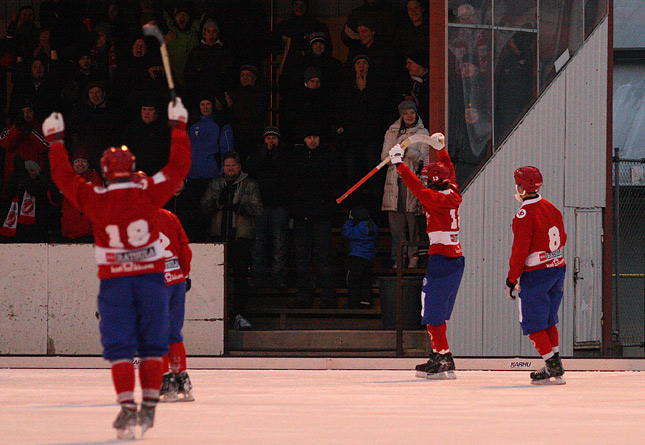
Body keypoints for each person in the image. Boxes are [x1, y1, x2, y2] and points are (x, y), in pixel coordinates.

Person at [42, 97, 191, 439]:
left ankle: (127, 407)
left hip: (116, 285)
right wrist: (179, 128)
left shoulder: (96, 198)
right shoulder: (149, 194)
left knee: (122, 349)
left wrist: (55, 141)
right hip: (152, 281)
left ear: (106, 171)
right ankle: (150, 406)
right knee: (155, 345)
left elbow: (64, 178)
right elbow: (178, 168)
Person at [388, 133, 464, 379]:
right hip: (455, 259)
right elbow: (450, 172)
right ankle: (439, 352)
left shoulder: (433, 198)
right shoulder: (451, 190)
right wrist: (441, 151)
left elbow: (416, 187)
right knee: (436, 311)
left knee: (431, 312)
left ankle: (443, 356)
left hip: (441, 260)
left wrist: (400, 164)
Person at [506, 166, 567, 385]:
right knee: (549, 318)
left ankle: (551, 365)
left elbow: (519, 251)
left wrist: (511, 280)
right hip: (558, 268)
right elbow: (563, 237)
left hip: (537, 273)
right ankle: (555, 360)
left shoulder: (523, 214)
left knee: (533, 321)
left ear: (522, 186)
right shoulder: (551, 207)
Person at [201, 152, 263, 330]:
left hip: (240, 239)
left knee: (240, 279)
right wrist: (217, 203)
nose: (230, 169)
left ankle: (240, 314)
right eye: (227, 166)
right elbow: (204, 205)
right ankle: (217, 316)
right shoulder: (216, 184)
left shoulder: (249, 184)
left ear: (239, 166)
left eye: (233, 165)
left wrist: (240, 207)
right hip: (218, 240)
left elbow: (258, 208)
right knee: (217, 279)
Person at [288, 124, 339, 309]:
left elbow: (334, 181)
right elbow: (291, 183)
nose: (312, 141)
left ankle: (327, 297)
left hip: (321, 215)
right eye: (309, 137)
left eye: (315, 137)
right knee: (303, 258)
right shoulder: (297, 158)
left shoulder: (327, 157)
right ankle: (304, 296)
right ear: (303, 139)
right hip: (302, 216)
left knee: (324, 257)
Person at [381, 101, 429, 269]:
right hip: (394, 182)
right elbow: (384, 159)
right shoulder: (391, 131)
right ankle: (399, 258)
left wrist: (407, 150)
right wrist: (395, 152)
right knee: (396, 224)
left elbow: (424, 159)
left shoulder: (423, 133)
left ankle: (413, 256)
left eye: (412, 113)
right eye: (406, 113)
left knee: (413, 222)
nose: (409, 116)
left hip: (413, 182)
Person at [154, 205, 194, 403]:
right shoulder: (169, 216)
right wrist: (183, 273)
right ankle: (182, 380)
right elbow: (184, 246)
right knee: (173, 332)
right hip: (176, 279)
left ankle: (164, 381)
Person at [245, 126, 291, 290]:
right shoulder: (257, 155)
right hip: (261, 207)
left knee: (279, 245)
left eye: (274, 138)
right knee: (259, 245)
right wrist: (264, 155)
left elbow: (288, 175)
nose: (271, 141)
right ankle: (258, 279)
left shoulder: (285, 156)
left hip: (279, 206)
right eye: (268, 138)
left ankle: (278, 278)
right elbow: (250, 170)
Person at [60, 150, 103, 242]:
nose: (80, 164)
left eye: (83, 161)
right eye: (77, 161)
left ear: (88, 164)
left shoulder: (94, 178)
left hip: (88, 233)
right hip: (69, 232)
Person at [341, 206, 379, 309]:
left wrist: (349, 221)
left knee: (354, 281)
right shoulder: (372, 226)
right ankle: (366, 301)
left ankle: (353, 303)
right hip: (369, 258)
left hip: (356, 257)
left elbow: (346, 232)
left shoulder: (357, 228)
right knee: (366, 280)